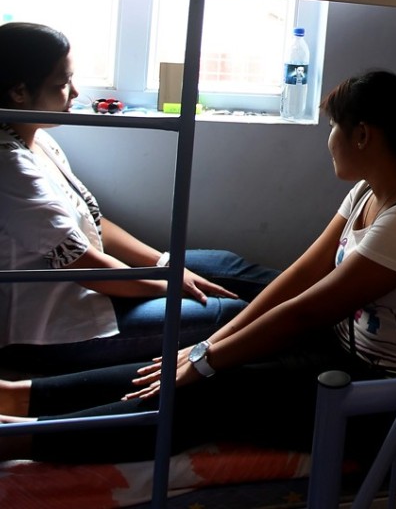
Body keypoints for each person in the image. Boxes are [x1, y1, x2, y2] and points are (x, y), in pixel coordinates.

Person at [0, 68, 396, 465]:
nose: (329, 140)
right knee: (177, 366)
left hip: (388, 402)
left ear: (362, 135)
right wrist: (206, 347)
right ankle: (19, 396)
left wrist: (207, 359)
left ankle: (19, 438)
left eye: (333, 128)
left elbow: (307, 310)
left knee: (208, 395)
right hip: (343, 358)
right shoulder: (370, 190)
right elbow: (299, 277)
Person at [0, 22, 278, 375]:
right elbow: (85, 267)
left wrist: (164, 263)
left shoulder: (35, 140)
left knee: (220, 265)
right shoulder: (10, 165)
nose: (74, 93)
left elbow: (95, 222)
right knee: (232, 312)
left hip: (87, 289)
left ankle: (325, 299)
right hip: (57, 326)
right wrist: (169, 283)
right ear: (19, 92)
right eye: (62, 84)